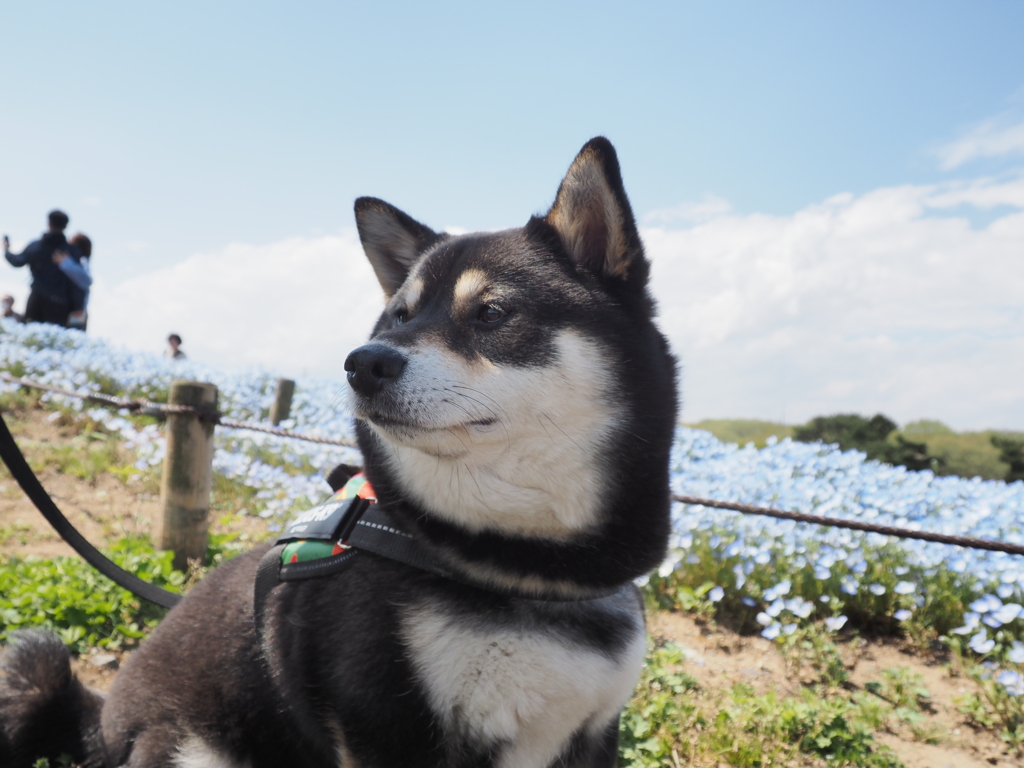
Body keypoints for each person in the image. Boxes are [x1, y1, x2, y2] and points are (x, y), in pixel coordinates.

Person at [3, 210, 84, 326]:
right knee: (55, 340)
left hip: (37, 299)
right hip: (60, 305)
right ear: (65, 226)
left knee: (30, 338)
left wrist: (6, 250)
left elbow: (17, 261)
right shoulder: (72, 251)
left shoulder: (36, 246)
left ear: (49, 223)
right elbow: (80, 280)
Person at [53, 233, 93, 330]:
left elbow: (87, 280)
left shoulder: (82, 260)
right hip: (71, 309)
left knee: (73, 338)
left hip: (77, 310)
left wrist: (66, 263)